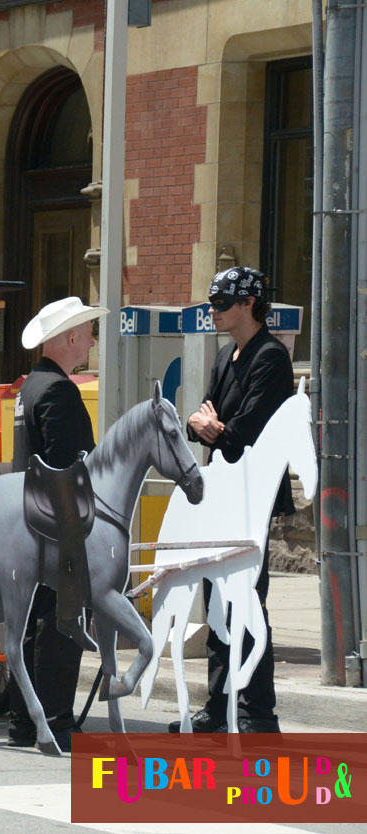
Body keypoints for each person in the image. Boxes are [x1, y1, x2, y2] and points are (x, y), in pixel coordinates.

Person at [175, 266, 293, 734]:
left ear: (249, 304)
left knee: (246, 601)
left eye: (221, 303)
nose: (213, 310)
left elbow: (246, 433)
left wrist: (214, 426)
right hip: (219, 492)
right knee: (216, 601)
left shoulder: (271, 357)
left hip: (251, 498)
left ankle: (256, 713)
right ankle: (219, 703)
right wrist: (206, 425)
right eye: (211, 302)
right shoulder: (226, 356)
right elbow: (199, 419)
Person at [8, 296, 107, 751]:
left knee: (31, 622)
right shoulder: (59, 391)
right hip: (57, 523)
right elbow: (69, 465)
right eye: (87, 331)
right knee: (61, 620)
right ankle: (55, 720)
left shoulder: (31, 386)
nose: (91, 339)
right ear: (69, 337)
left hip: (28, 520)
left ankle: (25, 720)